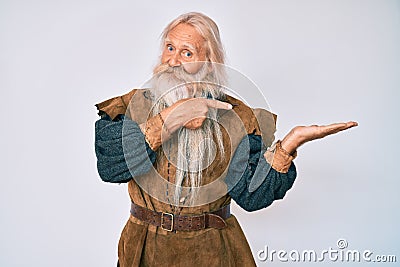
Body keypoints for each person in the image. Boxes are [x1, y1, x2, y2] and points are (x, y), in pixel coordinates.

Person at [94, 12, 357, 266]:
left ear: (209, 62)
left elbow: (251, 197)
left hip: (214, 251)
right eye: (169, 47)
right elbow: (112, 169)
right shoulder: (130, 107)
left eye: (187, 52)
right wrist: (170, 118)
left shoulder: (237, 118)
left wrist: (287, 146)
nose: (172, 61)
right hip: (144, 250)